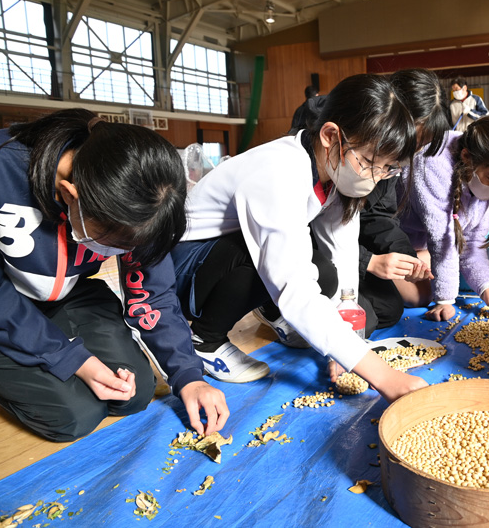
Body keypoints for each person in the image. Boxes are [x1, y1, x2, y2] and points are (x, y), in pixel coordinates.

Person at [171, 74, 429, 403]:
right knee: (274, 261)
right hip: (186, 266)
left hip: (220, 255)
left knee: (325, 270)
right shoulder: (279, 172)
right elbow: (292, 284)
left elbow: (343, 250)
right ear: (330, 135)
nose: (376, 178)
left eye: (386, 169)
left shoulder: (332, 173)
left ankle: (267, 310)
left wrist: (345, 345)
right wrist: (384, 376)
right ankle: (204, 339)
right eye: (368, 163)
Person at [0, 109, 229, 442]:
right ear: (69, 195)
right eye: (116, 244)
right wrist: (71, 358)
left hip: (68, 294)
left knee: (134, 392)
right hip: (4, 302)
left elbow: (154, 293)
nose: (123, 254)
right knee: (74, 416)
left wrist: (189, 376)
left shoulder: (137, 197)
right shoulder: (2, 168)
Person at [396, 115, 489, 322]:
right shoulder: (432, 164)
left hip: (426, 250)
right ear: (467, 157)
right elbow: (442, 238)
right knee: (418, 298)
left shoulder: (487, 175)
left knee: (437, 274)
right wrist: (446, 299)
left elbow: (472, 243)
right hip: (398, 243)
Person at [356, 68, 449, 336]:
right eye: (414, 141)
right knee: (363, 320)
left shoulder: (391, 162)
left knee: (388, 310)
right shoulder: (356, 152)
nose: (411, 151)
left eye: (420, 145)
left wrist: (407, 259)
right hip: (318, 254)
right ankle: (274, 307)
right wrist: (369, 262)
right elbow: (323, 233)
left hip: (353, 251)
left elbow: (379, 217)